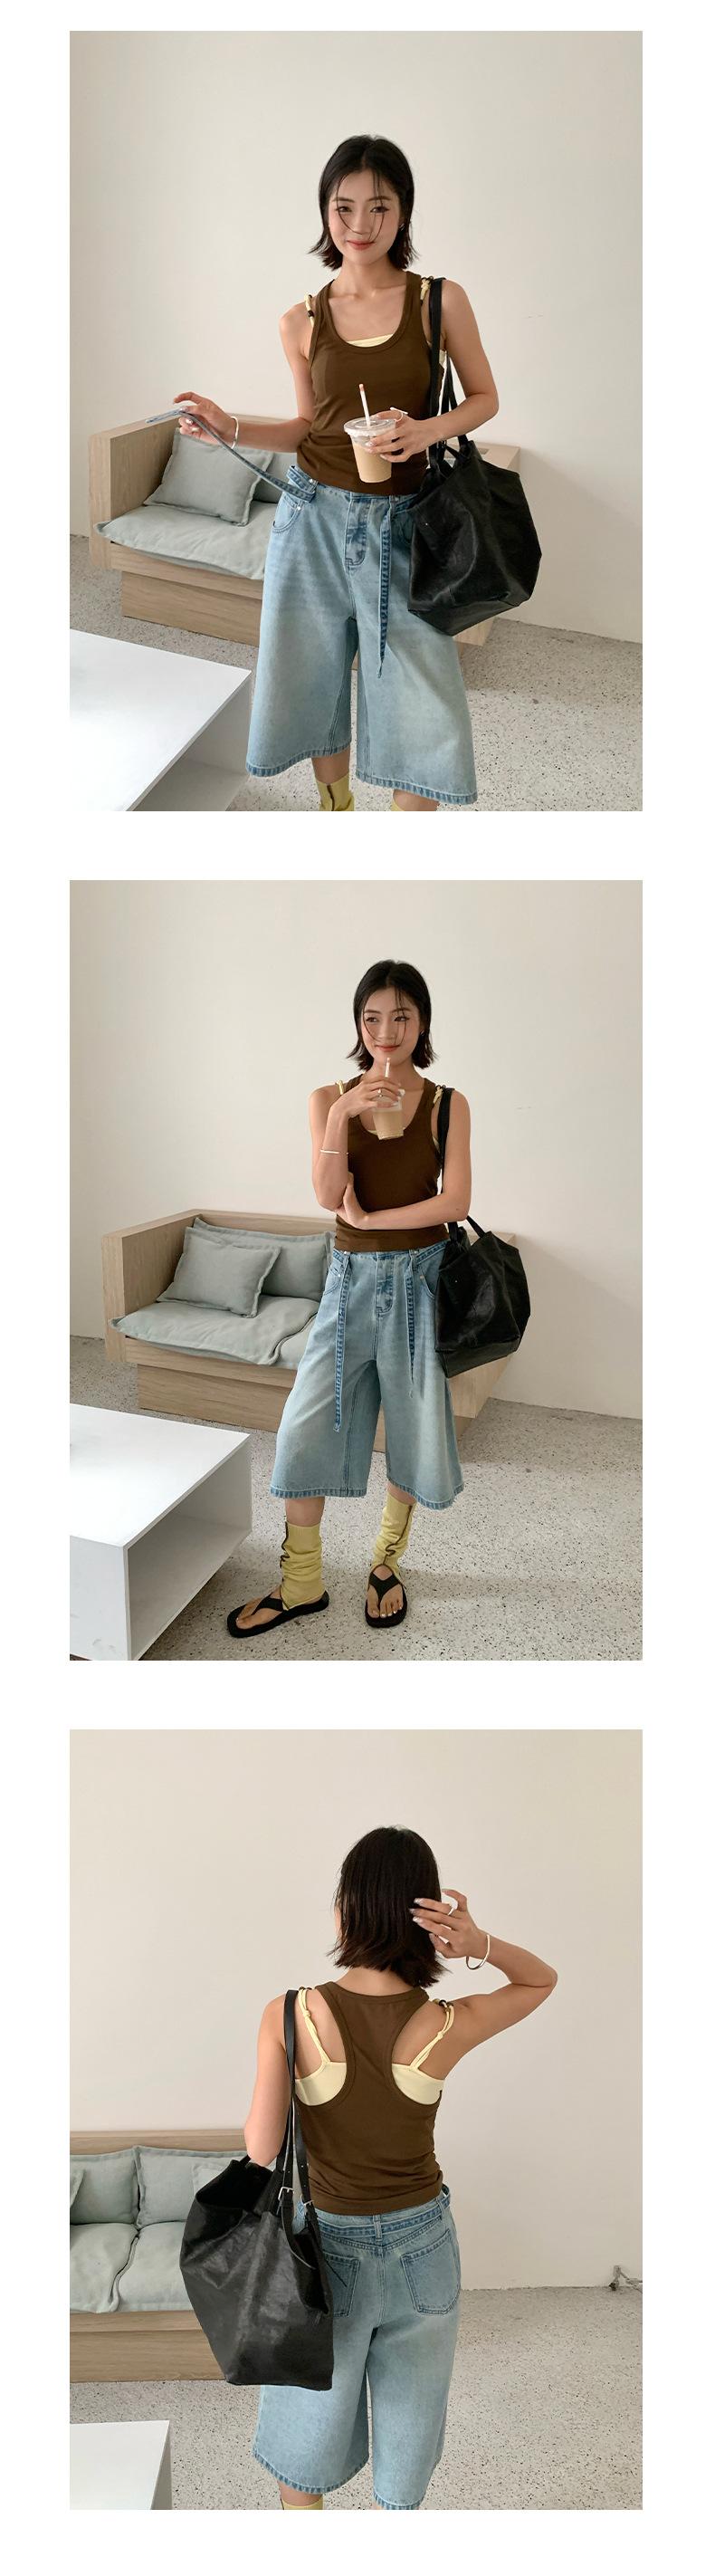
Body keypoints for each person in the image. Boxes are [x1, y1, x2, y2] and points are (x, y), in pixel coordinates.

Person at [174, 132, 498, 811]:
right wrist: (228, 427)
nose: (360, 224)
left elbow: (483, 399)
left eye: (379, 207)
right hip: (312, 518)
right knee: (311, 681)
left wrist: (424, 429)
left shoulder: (439, 301)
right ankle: (336, 807)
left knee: (425, 707)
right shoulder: (300, 319)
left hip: (408, 526)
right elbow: (306, 426)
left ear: (404, 212)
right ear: (325, 211)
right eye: (343, 207)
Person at [244, 1825, 558, 2510]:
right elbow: (541, 1979)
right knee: (412, 2419)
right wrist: (479, 1944)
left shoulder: (290, 2012)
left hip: (325, 2248)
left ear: (345, 1910)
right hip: (424, 2244)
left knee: (306, 2423)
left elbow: (261, 2147)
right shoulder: (448, 2021)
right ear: (425, 1920)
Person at [227, 959, 471, 1641]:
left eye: (401, 1016)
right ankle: (301, 1582)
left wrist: (371, 1221)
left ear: (422, 1022)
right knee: (306, 1426)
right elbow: (327, 1195)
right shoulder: (327, 1098)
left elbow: (455, 1202)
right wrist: (343, 1114)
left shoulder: (448, 1103)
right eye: (372, 1017)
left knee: (414, 1433)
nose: (386, 1031)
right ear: (358, 1023)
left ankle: (385, 1563)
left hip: (420, 1283)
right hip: (348, 1284)